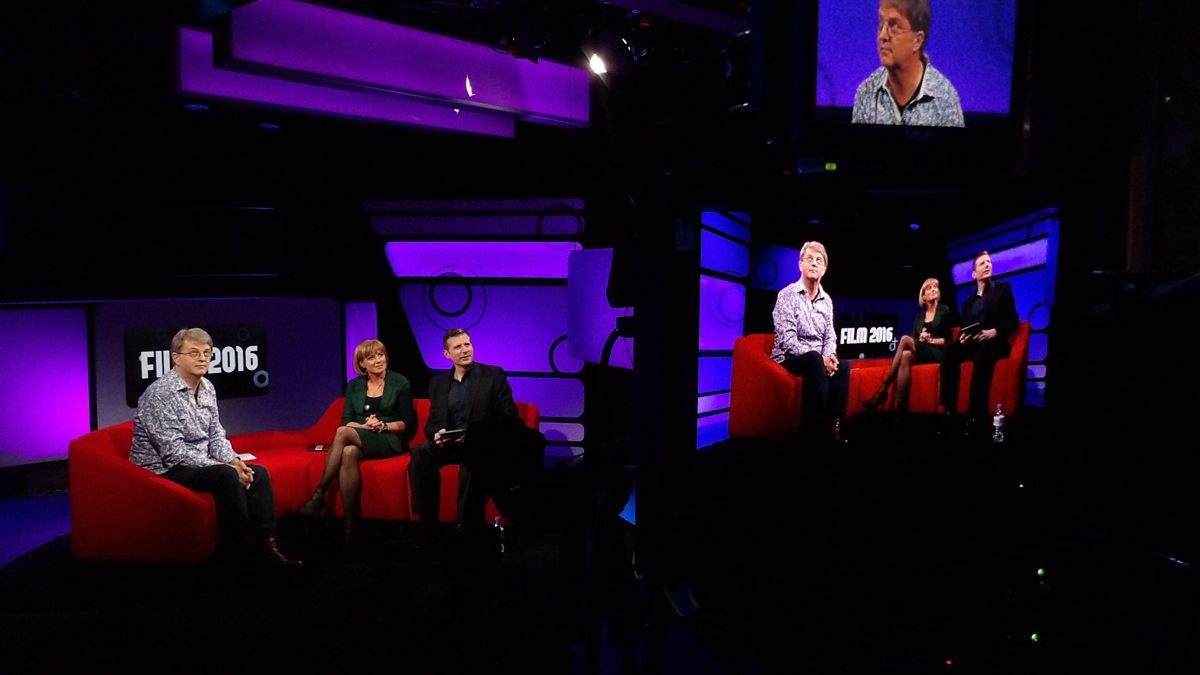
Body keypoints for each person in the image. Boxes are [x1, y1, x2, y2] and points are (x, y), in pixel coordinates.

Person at [129, 327, 301, 568]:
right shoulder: (159, 395)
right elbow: (173, 453)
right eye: (194, 353)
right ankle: (239, 555)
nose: (202, 358)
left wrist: (234, 460)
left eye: (207, 353)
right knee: (226, 476)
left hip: (194, 463)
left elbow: (216, 434)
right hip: (161, 470)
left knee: (258, 473)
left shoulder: (207, 387)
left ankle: (266, 548)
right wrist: (225, 467)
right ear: (176, 358)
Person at [408, 328, 530, 540]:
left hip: (480, 444)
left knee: (472, 456)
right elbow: (432, 423)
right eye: (458, 347)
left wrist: (480, 434)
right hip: (450, 443)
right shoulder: (438, 384)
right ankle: (428, 523)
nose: (465, 350)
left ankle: (464, 525)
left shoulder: (492, 375)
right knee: (421, 453)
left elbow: (509, 415)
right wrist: (437, 434)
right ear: (447, 354)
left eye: (468, 344)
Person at [297, 339, 416, 544]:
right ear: (362, 364)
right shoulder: (354, 387)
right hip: (363, 434)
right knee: (348, 452)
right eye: (372, 357)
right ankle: (351, 521)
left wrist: (382, 426)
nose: (379, 360)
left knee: (342, 433)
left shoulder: (400, 383)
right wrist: (366, 427)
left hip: (390, 438)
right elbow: (347, 421)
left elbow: (407, 423)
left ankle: (319, 494)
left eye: (381, 355)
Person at [771, 241, 851, 444]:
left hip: (816, 359)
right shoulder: (787, 295)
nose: (814, 263)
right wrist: (821, 359)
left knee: (844, 366)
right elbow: (788, 341)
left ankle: (835, 427)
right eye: (809, 259)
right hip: (788, 358)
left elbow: (830, 335)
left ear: (824, 269)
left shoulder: (827, 300)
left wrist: (830, 356)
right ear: (800, 264)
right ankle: (814, 432)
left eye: (819, 260)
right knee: (814, 360)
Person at [851, 0, 964, 128]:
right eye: (881, 24)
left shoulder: (944, 99)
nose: (882, 36)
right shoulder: (866, 93)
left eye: (894, 26)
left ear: (917, 40)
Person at [940, 250, 1019, 432]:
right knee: (950, 349)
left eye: (989, 262)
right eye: (982, 263)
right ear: (974, 274)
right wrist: (963, 338)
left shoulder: (1003, 289)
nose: (987, 265)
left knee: (984, 349)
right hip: (973, 344)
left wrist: (994, 332)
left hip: (994, 343)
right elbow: (964, 328)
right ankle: (948, 411)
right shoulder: (968, 303)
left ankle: (975, 415)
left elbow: (1013, 320)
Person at [862, 277, 955, 418]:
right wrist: (921, 339)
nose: (934, 289)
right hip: (923, 352)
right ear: (923, 296)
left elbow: (947, 340)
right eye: (929, 288)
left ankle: (883, 388)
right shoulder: (919, 316)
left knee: (905, 339)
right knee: (905, 355)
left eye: (935, 287)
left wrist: (929, 340)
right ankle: (901, 408)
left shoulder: (944, 310)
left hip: (938, 353)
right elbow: (915, 338)